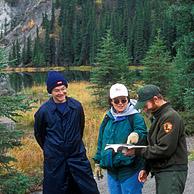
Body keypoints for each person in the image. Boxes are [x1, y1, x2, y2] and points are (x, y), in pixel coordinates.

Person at [34, 71, 99, 194]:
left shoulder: (76, 107)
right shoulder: (43, 111)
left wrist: (72, 144)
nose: (61, 93)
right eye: (56, 90)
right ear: (51, 92)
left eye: (63, 89)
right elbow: (39, 135)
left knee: (87, 189)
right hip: (55, 161)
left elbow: (80, 129)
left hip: (77, 157)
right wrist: (52, 148)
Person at [125, 84, 188, 194]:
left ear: (156, 99)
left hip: (171, 171)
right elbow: (154, 145)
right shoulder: (158, 117)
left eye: (145, 105)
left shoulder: (170, 117)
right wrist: (146, 168)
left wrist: (136, 151)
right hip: (164, 170)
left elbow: (164, 149)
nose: (143, 108)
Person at [93, 83, 147, 194]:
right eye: (116, 101)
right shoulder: (108, 117)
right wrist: (97, 162)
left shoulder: (135, 116)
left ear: (128, 99)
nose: (120, 103)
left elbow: (142, 133)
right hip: (112, 170)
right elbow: (101, 140)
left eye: (123, 100)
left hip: (130, 169)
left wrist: (136, 135)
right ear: (111, 101)